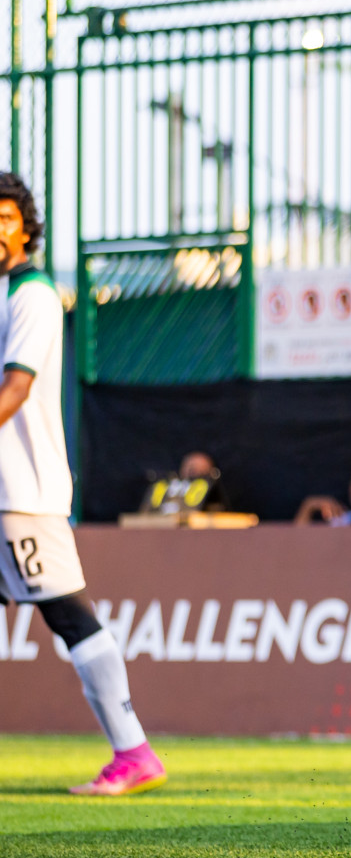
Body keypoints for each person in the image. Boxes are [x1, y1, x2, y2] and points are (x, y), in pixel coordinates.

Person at [0, 174, 166, 794]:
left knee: (70, 617)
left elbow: (16, 388)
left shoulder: (33, 294)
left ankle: (134, 752)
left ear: (25, 227)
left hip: (23, 494)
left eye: (7, 217)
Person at [140, 451, 231, 514]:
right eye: (190, 467)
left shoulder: (206, 488)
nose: (192, 471)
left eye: (198, 469)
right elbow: (144, 513)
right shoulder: (163, 486)